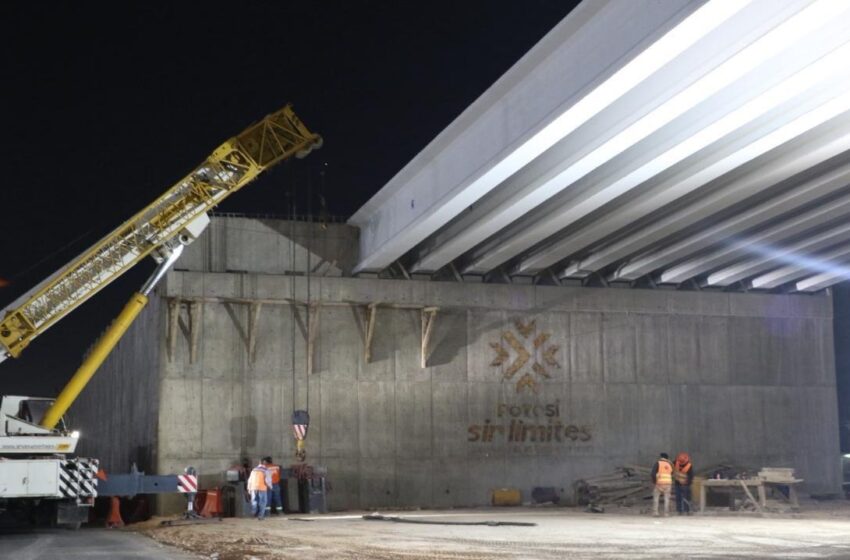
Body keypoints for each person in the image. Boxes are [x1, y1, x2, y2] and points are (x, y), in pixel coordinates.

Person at [651, 452, 674, 517]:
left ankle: (655, 512)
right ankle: (666, 513)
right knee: (667, 499)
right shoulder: (670, 464)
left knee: (656, 498)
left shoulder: (658, 463)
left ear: (661, 457)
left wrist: (655, 482)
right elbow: (672, 473)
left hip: (659, 483)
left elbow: (653, 473)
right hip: (668, 483)